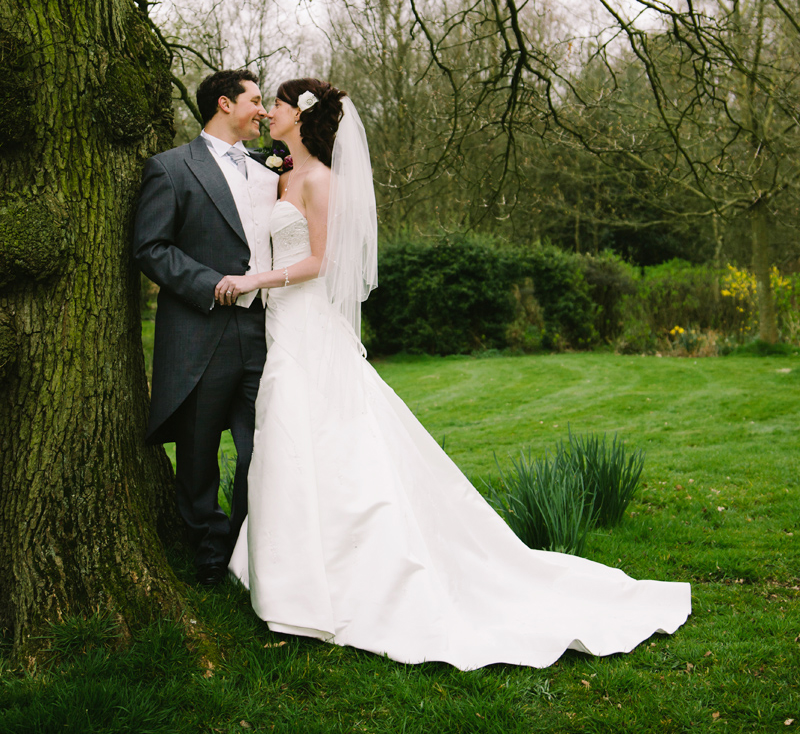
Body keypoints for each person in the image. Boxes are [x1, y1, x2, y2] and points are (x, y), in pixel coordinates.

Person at [221, 78, 691, 669]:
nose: (273, 113)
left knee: (316, 434)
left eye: (282, 106)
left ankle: (340, 580)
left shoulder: (321, 182)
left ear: (302, 116)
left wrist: (251, 283)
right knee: (289, 438)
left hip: (307, 323)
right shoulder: (283, 173)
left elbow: (320, 262)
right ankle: (284, 572)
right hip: (280, 324)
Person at [133, 69, 278, 586]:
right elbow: (151, 248)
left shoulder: (269, 172)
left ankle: (246, 541)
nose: (264, 111)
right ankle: (210, 550)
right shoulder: (171, 169)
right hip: (201, 330)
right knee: (196, 450)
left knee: (262, 445)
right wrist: (211, 282)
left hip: (265, 331)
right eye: (256, 100)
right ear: (224, 103)